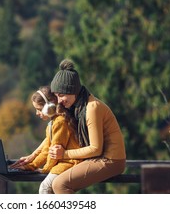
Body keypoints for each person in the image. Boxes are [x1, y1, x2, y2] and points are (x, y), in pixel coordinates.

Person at [47, 59, 126, 193]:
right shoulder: (77, 108)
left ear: (73, 91)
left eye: (61, 95)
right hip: (97, 157)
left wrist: (64, 154)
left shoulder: (92, 108)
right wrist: (32, 157)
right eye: (56, 96)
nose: (59, 101)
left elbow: (95, 149)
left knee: (60, 184)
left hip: (111, 160)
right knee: (53, 181)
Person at [10, 86, 81, 194]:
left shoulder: (60, 122)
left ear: (50, 107)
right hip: (63, 163)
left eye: (39, 109)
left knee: (45, 187)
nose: (36, 113)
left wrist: (45, 169)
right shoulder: (52, 124)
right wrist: (32, 166)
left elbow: (53, 153)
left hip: (70, 162)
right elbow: (46, 150)